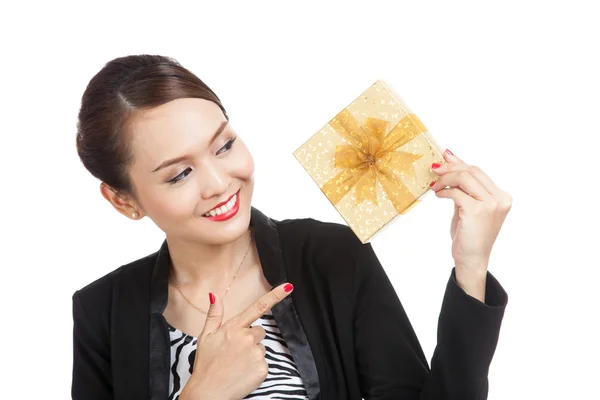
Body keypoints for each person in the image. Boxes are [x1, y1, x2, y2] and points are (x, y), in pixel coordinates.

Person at [72, 54, 512, 400]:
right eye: (179, 174)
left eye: (224, 145)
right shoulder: (102, 312)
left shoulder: (331, 256)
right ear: (123, 199)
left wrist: (470, 267)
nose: (220, 183)